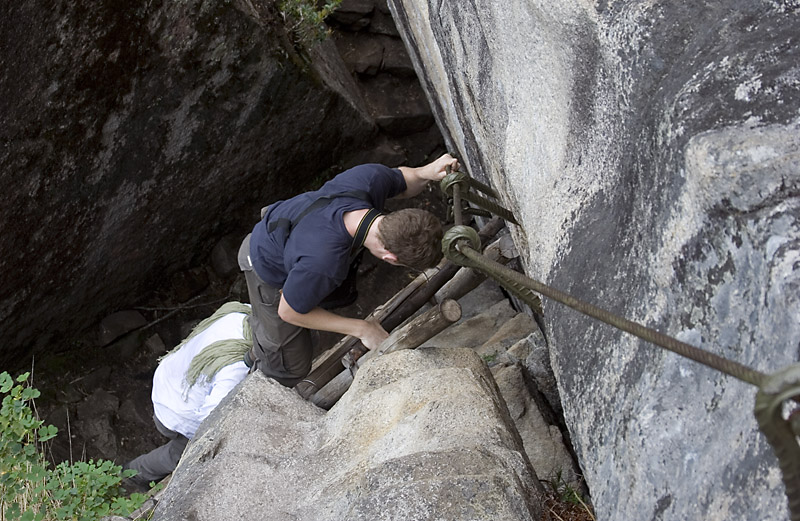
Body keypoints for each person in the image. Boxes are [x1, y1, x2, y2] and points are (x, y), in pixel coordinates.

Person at [238, 153, 460, 387]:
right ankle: (259, 366)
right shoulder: (325, 263)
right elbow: (289, 311)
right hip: (264, 261)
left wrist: (426, 171)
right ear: (390, 257)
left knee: (306, 318)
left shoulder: (368, 180)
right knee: (291, 367)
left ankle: (268, 342)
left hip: (293, 232)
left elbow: (405, 178)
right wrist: (362, 329)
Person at [123, 303, 252, 490]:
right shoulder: (236, 367)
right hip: (175, 412)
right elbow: (210, 422)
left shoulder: (240, 312)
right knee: (178, 454)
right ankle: (132, 474)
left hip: (168, 379)